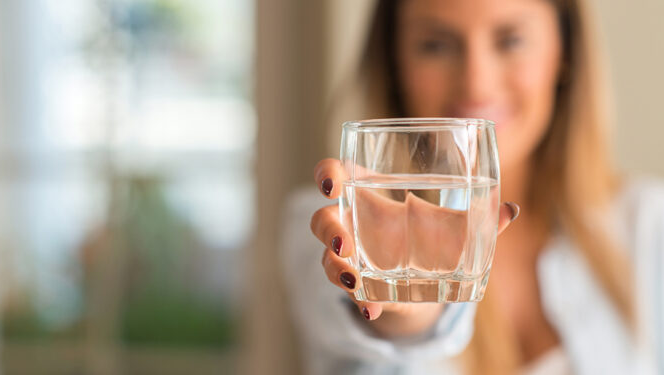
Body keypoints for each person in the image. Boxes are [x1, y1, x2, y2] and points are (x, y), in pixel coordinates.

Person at [280, 0, 664, 374]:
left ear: (565, 52)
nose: (475, 82)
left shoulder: (647, 224)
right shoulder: (333, 220)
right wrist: (406, 307)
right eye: (436, 45)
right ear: (395, 61)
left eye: (510, 40)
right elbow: (353, 326)